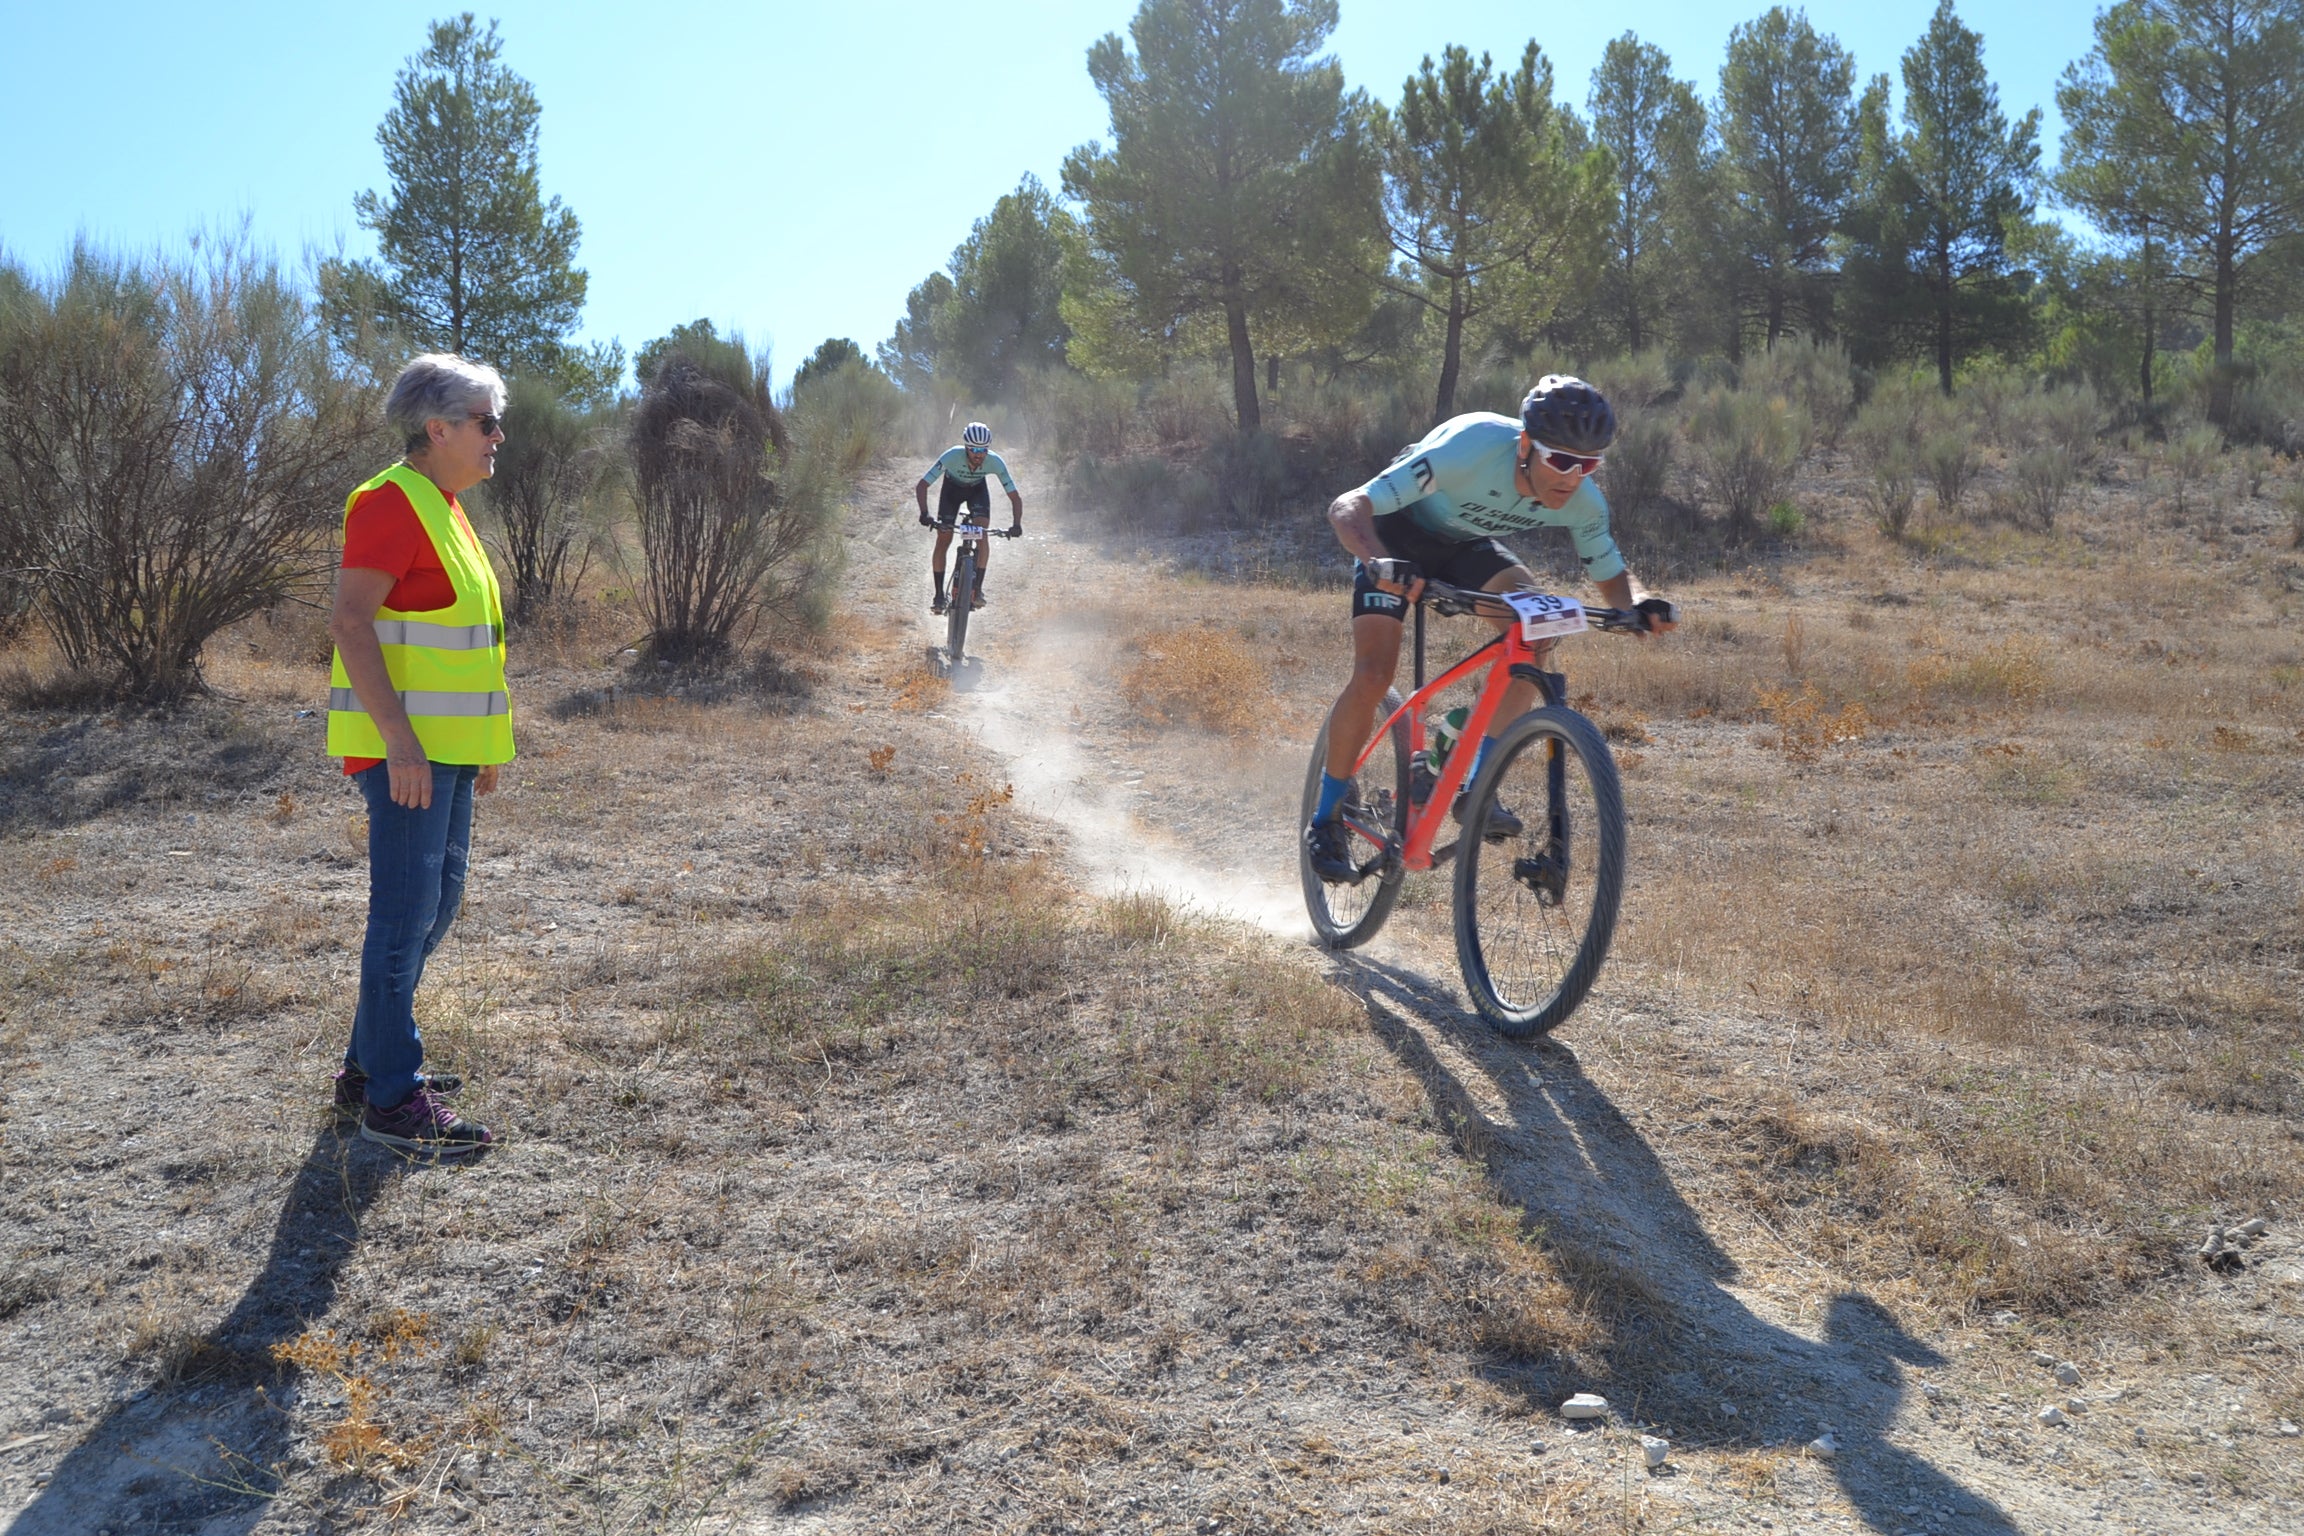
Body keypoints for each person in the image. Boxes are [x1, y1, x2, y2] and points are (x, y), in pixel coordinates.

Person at [1305, 375, 1677, 883]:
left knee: (1536, 629)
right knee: (1374, 674)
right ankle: (1326, 818)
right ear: (1525, 445)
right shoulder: (1472, 445)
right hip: (1393, 537)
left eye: (1589, 465)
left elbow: (1610, 573)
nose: (1573, 477)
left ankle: (1471, 782)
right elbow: (1349, 508)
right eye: (1562, 461)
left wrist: (1636, 603)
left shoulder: (1583, 499)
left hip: (1465, 546)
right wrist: (1379, 562)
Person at [324, 353, 515, 1155]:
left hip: (449, 753)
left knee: (432, 912)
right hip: (407, 756)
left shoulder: (444, 505)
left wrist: (483, 745)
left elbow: (465, 644)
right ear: (438, 428)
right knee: (403, 921)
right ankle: (392, 1104)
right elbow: (350, 622)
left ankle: (369, 1072)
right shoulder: (390, 502)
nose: (497, 436)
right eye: (485, 421)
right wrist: (401, 742)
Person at [914, 421, 1023, 613]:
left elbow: (1014, 497)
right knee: (943, 538)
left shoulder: (995, 461)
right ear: (965, 447)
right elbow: (922, 485)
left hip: (977, 492)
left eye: (983, 450)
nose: (979, 454)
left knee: (982, 535)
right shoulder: (951, 456)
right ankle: (939, 595)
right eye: (973, 449)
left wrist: (1016, 524)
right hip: (951, 492)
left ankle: (978, 589)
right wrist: (925, 514)